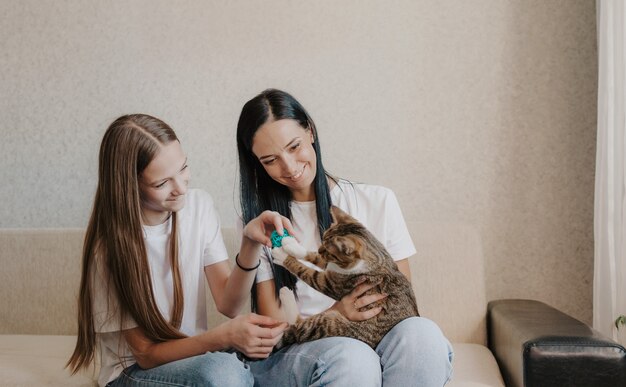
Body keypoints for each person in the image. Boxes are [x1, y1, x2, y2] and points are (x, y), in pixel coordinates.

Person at [236, 89, 454, 386]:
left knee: (423, 335)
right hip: (306, 350)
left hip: (375, 334)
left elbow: (401, 306)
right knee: (353, 357)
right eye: (271, 159)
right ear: (257, 163)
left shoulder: (378, 201)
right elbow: (278, 330)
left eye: (294, 146)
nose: (289, 167)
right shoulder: (262, 224)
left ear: (310, 131)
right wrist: (337, 314)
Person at [66, 114, 292, 387]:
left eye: (183, 168)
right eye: (162, 183)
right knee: (225, 374)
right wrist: (223, 338)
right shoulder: (108, 252)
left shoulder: (198, 206)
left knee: (287, 361)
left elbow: (229, 305)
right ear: (130, 185)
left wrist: (250, 243)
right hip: (133, 371)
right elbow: (147, 355)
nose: (181, 188)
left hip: (196, 356)